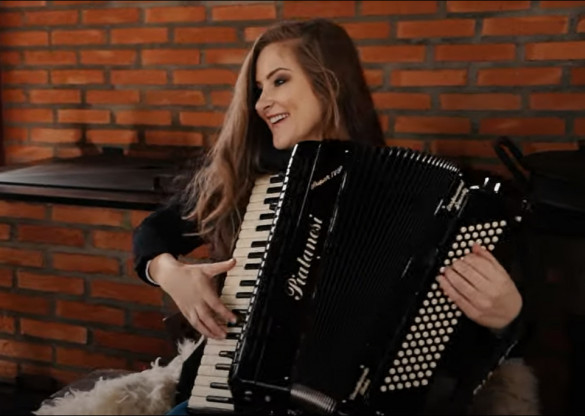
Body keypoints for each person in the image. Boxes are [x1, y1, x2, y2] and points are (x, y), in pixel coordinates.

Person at [132, 18, 525, 415]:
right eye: (258, 88)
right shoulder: (248, 176)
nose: (261, 102)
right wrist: (170, 274)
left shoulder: (413, 195)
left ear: (329, 83)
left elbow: (454, 346)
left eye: (279, 81)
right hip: (230, 393)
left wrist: (506, 318)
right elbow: (155, 231)